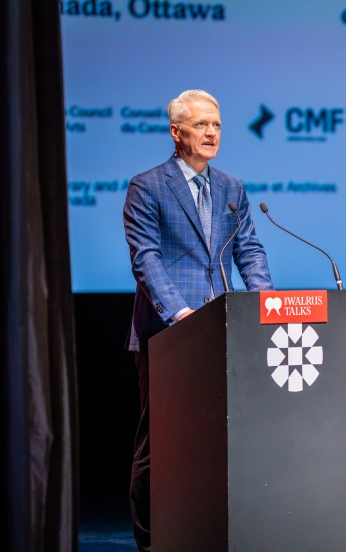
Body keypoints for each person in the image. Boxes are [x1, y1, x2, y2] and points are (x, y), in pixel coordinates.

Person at [123, 89, 274, 551]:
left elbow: (248, 248)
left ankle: (209, 530)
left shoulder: (231, 188)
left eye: (217, 125)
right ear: (177, 132)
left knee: (222, 436)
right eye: (201, 125)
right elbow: (146, 259)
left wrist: (266, 302)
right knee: (161, 441)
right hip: (170, 334)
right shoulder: (147, 186)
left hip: (226, 333)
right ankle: (151, 540)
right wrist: (180, 314)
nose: (211, 133)